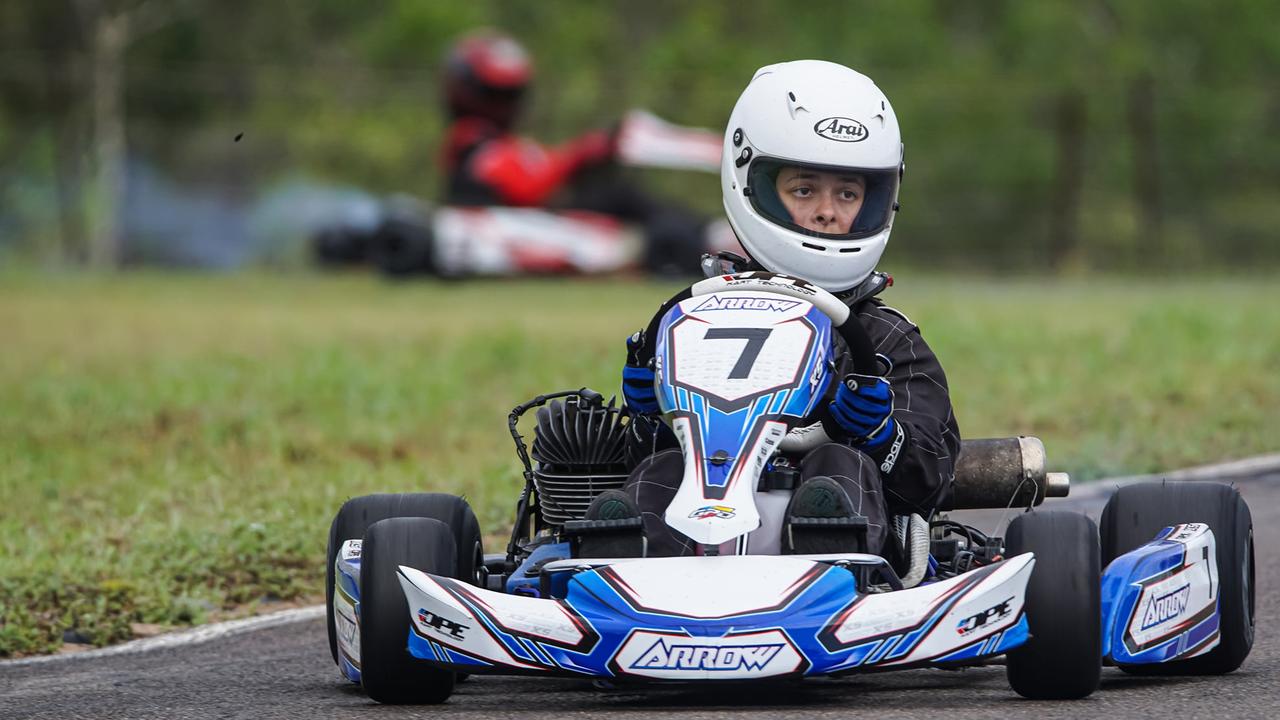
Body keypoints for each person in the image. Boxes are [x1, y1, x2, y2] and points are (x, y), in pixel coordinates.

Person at [590, 60, 960, 560]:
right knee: (662, 471)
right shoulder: (690, 318)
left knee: (837, 463)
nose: (828, 211)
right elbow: (638, 456)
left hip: (832, 570)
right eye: (804, 190)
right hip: (692, 531)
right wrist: (647, 420)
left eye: (847, 194)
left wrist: (878, 435)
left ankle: (830, 550)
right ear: (754, 186)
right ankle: (620, 567)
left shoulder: (886, 338)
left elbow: (928, 478)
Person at [440, 30, 707, 274]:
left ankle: (699, 232)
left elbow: (539, 169)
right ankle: (703, 237)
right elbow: (529, 187)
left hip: (543, 220)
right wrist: (586, 152)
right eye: (496, 96)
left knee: (615, 191)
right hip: (523, 226)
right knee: (619, 196)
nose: (505, 106)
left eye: (510, 97)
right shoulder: (471, 143)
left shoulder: (507, 145)